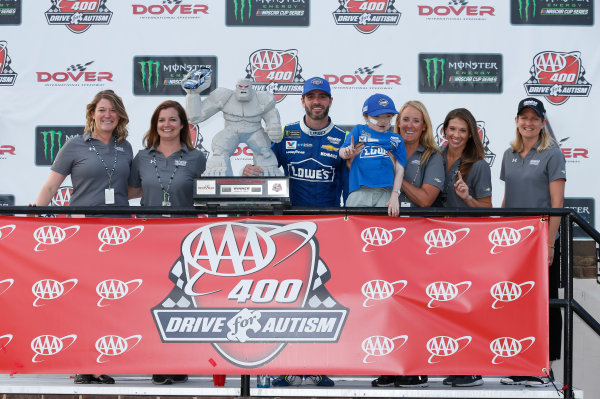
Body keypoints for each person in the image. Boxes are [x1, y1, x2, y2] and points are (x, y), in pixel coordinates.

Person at [243, 76, 347, 386]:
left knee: (321, 300)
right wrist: (251, 170)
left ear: (330, 101)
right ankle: (287, 364)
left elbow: (351, 183)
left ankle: (317, 364)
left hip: (328, 228)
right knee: (288, 300)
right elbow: (265, 165)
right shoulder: (284, 133)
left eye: (322, 97)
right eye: (311, 96)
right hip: (288, 229)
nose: (317, 102)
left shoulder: (344, 137)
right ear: (302, 100)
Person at [35, 89, 134, 384]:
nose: (107, 115)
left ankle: (100, 363)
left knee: (108, 300)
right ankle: (81, 362)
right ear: (92, 113)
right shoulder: (74, 145)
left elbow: (130, 191)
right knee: (83, 300)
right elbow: (51, 187)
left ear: (120, 116)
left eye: (113, 110)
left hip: (118, 236)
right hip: (83, 235)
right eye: (102, 110)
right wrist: (35, 221)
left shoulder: (125, 147)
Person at [128, 100, 206, 384]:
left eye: (173, 120)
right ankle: (157, 360)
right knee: (153, 300)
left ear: (183, 125)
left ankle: (179, 360)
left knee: (182, 302)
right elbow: (131, 190)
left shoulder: (197, 158)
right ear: (155, 125)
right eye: (162, 120)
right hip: (149, 238)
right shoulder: (141, 157)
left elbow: (211, 193)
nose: (167, 125)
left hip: (185, 239)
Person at [371, 100, 444, 388]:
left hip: (418, 240)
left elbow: (426, 199)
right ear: (397, 123)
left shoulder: (432, 156)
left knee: (414, 305)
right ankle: (390, 365)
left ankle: (415, 367)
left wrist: (396, 177)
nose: (409, 125)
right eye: (405, 120)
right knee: (388, 304)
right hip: (386, 238)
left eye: (415, 121)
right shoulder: (385, 146)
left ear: (424, 126)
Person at [499, 97, 565, 388]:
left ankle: (544, 367)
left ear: (542, 122)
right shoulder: (508, 153)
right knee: (516, 302)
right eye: (523, 118)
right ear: (516, 121)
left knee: (547, 302)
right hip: (514, 243)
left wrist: (549, 245)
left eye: (534, 118)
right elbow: (506, 199)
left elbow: (557, 203)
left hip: (541, 242)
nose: (528, 123)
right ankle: (519, 362)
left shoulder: (553, 153)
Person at [438, 108, 491, 388]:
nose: (456, 135)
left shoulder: (478, 164)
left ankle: (471, 368)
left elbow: (487, 210)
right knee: (445, 307)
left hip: (466, 244)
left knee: (466, 307)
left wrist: (467, 198)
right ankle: (453, 364)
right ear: (444, 130)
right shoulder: (434, 156)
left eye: (462, 130)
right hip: (436, 244)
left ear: (470, 134)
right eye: (452, 129)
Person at [182, 70, 282, 176]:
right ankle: (217, 170)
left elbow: (271, 114)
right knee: (220, 151)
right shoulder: (225, 96)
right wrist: (193, 94)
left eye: (246, 87)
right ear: (236, 87)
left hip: (255, 130)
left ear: (251, 88)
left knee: (264, 152)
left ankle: (268, 170)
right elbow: (195, 117)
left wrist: (274, 127)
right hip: (231, 130)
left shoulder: (262, 99)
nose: (243, 89)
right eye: (241, 86)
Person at [339, 93, 406, 216]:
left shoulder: (396, 138)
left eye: (388, 116)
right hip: (359, 191)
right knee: (353, 231)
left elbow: (400, 168)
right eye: (377, 116)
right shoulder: (359, 130)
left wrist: (395, 194)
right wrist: (347, 152)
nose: (384, 121)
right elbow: (342, 151)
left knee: (382, 231)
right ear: (366, 116)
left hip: (386, 192)